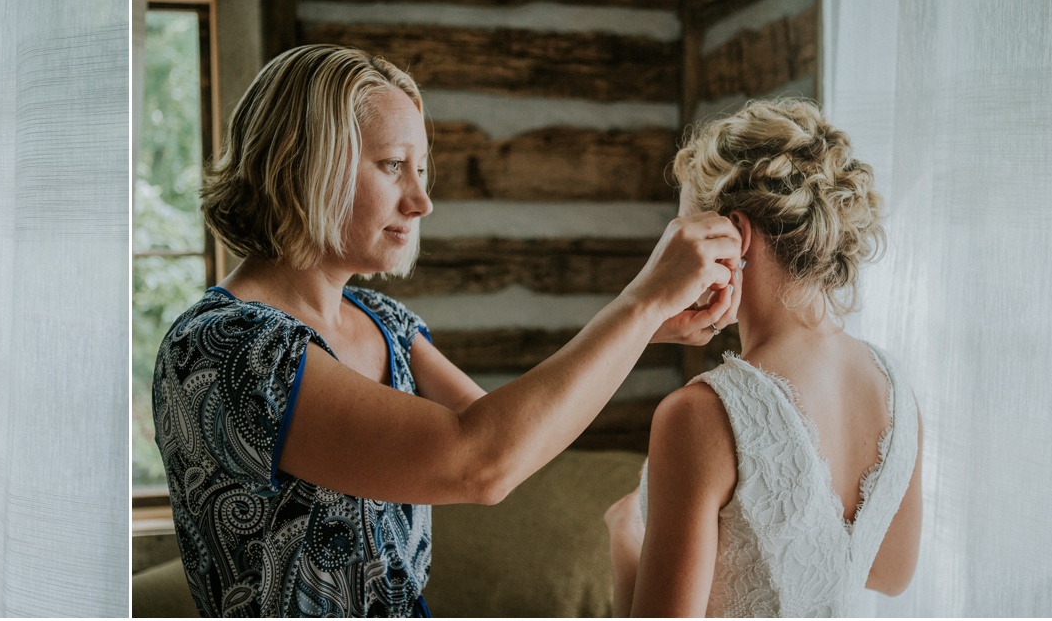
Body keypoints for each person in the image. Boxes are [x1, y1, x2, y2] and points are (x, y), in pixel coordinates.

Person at [150, 44, 745, 617]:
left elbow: (517, 443)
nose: (422, 200)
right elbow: (480, 460)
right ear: (303, 162)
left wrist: (645, 328)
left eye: (422, 170)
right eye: (392, 166)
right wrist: (639, 304)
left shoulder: (388, 324)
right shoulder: (224, 348)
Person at [603, 98, 923, 616]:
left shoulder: (702, 415)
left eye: (681, 234)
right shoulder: (894, 387)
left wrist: (623, 538)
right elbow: (891, 573)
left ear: (734, 236)